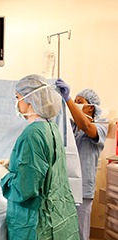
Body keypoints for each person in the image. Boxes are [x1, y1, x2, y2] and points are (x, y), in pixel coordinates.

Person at [0, 74, 79, 240]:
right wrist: (15, 163)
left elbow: (23, 189)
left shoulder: (32, 133)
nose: (17, 102)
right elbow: (47, 165)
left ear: (29, 99)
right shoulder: (50, 127)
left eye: (18, 98)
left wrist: (2, 173)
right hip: (58, 215)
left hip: (36, 224)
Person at [56, 79, 107, 240]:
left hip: (83, 190)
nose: (75, 104)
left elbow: (85, 126)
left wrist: (68, 99)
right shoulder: (70, 127)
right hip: (66, 187)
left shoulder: (99, 128)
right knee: (64, 230)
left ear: (91, 107)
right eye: (74, 101)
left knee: (80, 232)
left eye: (79, 102)